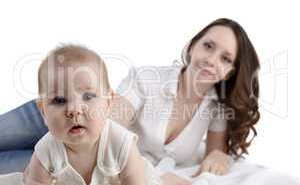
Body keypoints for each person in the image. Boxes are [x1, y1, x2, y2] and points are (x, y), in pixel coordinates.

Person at [2, 18, 299, 184]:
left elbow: (216, 155)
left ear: (230, 72)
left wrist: (216, 158)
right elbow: (109, 127)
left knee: (14, 168)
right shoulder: (147, 79)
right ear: (192, 46)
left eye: (225, 58)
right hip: (68, 113)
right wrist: (153, 175)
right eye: (208, 46)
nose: (211, 59)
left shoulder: (215, 108)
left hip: (79, 153)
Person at [1, 45, 161, 185]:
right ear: (43, 111)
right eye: (59, 100)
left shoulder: (122, 144)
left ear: (109, 102)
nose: (74, 109)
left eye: (88, 96)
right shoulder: (45, 150)